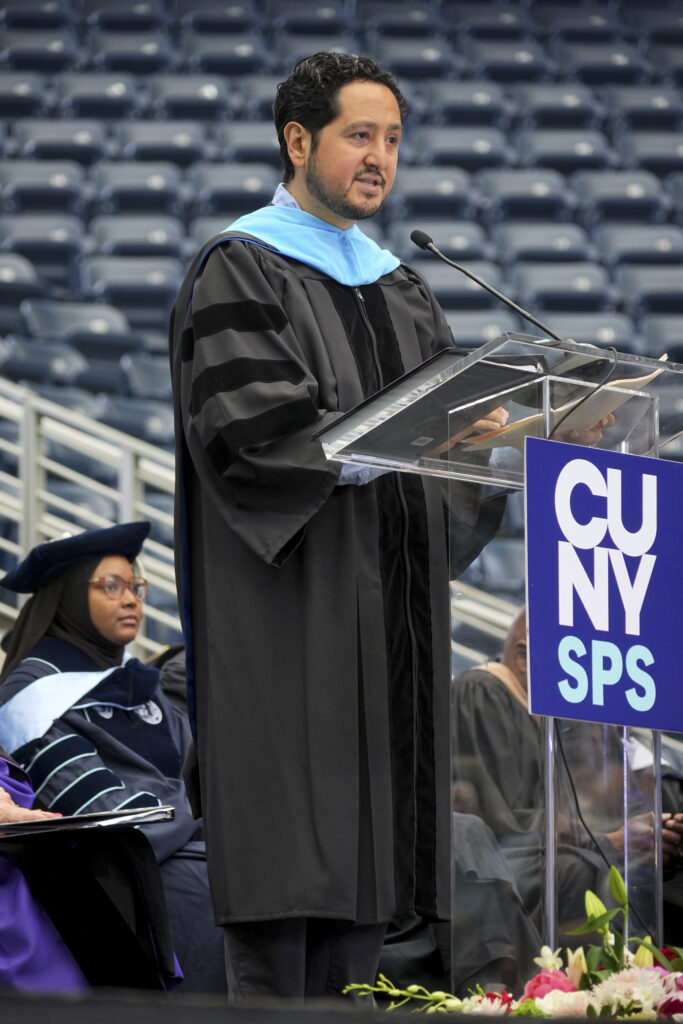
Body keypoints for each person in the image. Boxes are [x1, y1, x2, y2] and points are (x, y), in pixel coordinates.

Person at [169, 51, 512, 1001]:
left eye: (392, 140)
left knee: (368, 933)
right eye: (360, 135)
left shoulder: (404, 286)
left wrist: (503, 437)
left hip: (388, 639)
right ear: (297, 141)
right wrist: (406, 431)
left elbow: (442, 462)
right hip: (296, 626)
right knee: (289, 911)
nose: (379, 158)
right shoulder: (241, 269)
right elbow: (252, 436)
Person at [0, 522, 226, 994]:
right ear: (67, 597)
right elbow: (101, 810)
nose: (131, 600)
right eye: (111, 586)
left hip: (188, 851)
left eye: (136, 586)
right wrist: (201, 819)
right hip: (126, 872)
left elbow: (201, 778)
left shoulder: (136, 682)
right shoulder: (30, 695)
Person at [451, 607, 683, 942]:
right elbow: (501, 831)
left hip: (565, 868)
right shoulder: (483, 694)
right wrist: (610, 842)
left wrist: (654, 837)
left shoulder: (555, 725)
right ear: (524, 658)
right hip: (499, 886)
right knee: (579, 872)